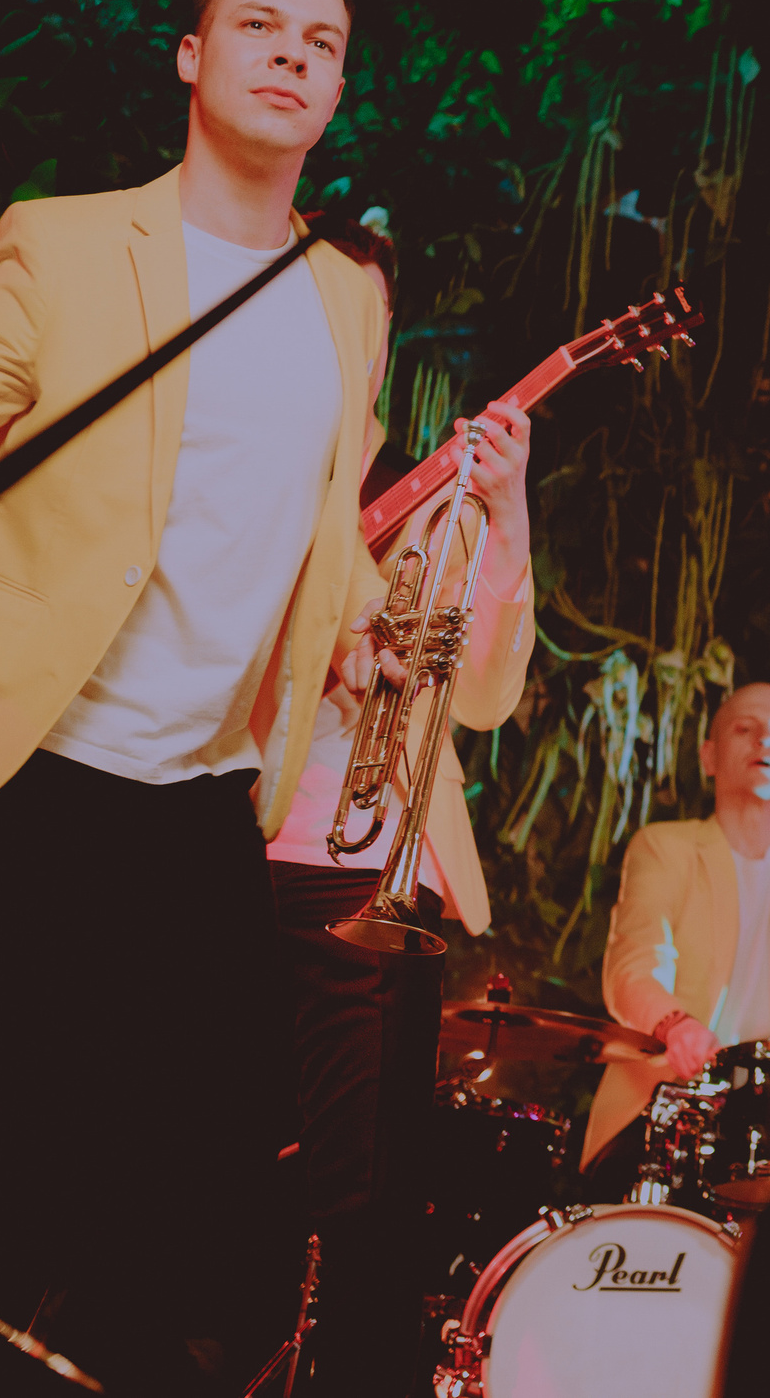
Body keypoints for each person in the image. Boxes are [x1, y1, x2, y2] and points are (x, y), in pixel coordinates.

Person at [0, 0, 389, 1393]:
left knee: (222, 1164)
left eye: (324, 41)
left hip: (203, 784)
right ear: (192, 55)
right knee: (61, 1143)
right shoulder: (69, 238)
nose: (293, 52)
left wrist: (351, 633)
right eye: (261, 25)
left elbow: (328, 513)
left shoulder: (351, 294)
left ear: (338, 88)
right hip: (43, 763)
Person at [265, 390, 537, 1394]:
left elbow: (486, 692)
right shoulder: (259, 452)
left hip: (366, 863)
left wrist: (505, 516)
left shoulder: (426, 504)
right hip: (215, 838)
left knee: (369, 1195)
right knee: (210, 1155)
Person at [578, 683, 770, 1191]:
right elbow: (631, 968)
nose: (764, 742)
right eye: (744, 729)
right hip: (669, 1110)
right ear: (709, 755)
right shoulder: (664, 847)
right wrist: (675, 1024)